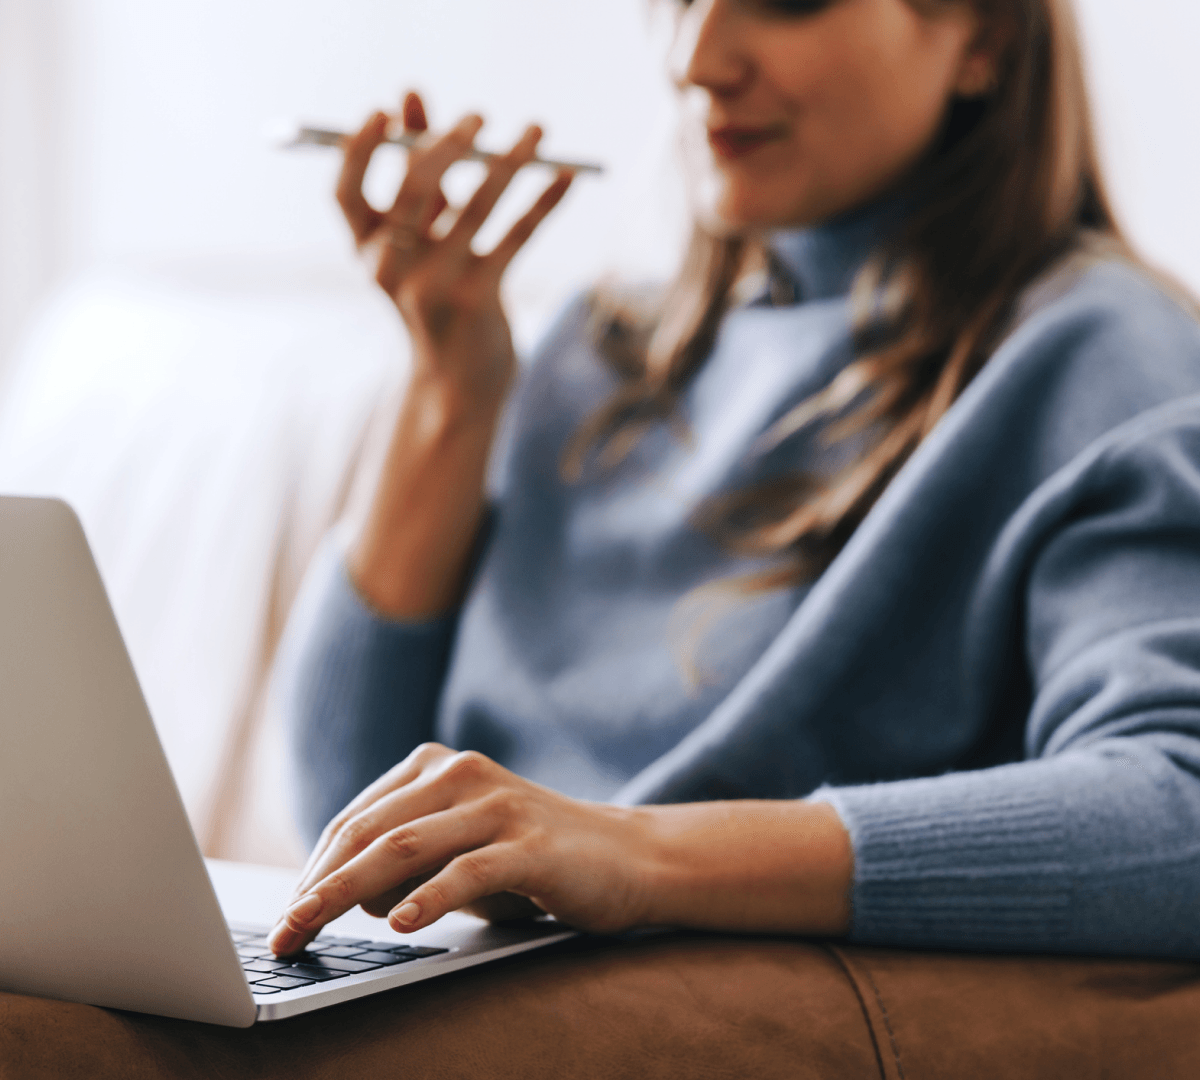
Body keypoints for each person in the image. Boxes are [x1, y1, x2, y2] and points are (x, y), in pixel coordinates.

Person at [267, 0, 1200, 962]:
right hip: (475, 978)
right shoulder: (597, 347)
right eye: (675, 2)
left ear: (984, 40)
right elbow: (342, 817)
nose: (696, 59)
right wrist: (451, 392)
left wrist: (636, 854)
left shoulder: (1102, 358)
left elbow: (1181, 809)